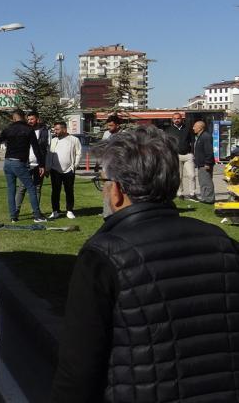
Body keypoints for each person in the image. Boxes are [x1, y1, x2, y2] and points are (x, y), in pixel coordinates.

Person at [51, 125, 239, 402]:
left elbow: (78, 368)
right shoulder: (222, 242)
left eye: (103, 182)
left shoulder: (102, 255)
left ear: (117, 191)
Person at [0, 109, 47, 222]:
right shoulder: (29, 129)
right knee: (31, 188)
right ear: (24, 117)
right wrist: (41, 164)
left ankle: (13, 217)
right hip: (19, 163)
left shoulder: (8, 129)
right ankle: (37, 216)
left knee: (11, 190)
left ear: (14, 118)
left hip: (7, 162)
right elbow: (36, 148)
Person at [46, 121, 82, 219]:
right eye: (54, 129)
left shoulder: (74, 140)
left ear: (64, 129)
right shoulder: (53, 140)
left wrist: (75, 165)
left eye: (57, 129)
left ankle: (69, 210)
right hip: (55, 170)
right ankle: (55, 211)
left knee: (69, 190)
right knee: (55, 191)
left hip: (69, 170)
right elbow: (49, 155)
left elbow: (78, 153)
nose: (55, 131)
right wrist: (47, 168)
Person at [15, 111, 49, 214]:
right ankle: (15, 210)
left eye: (32, 119)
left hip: (39, 165)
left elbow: (46, 148)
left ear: (37, 119)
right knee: (22, 187)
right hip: (26, 164)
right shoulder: (24, 130)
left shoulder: (44, 131)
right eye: (28, 119)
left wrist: (45, 165)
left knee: (37, 188)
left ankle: (36, 212)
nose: (30, 121)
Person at [164, 112, 195, 199]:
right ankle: (180, 193)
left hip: (188, 155)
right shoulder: (168, 130)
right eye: (175, 119)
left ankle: (192, 193)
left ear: (182, 119)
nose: (176, 120)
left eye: (178, 118)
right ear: (172, 120)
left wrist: (192, 152)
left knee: (192, 175)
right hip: (176, 156)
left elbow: (193, 141)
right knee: (179, 177)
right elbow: (167, 144)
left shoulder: (188, 129)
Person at [99, 114, 123, 216]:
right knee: (107, 188)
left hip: (118, 167)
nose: (109, 128)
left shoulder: (124, 135)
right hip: (106, 165)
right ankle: (106, 210)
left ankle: (118, 209)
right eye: (108, 126)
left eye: (111, 126)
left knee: (117, 189)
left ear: (118, 125)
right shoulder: (106, 134)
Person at [192, 119, 216, 204]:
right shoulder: (200, 136)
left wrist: (207, 163)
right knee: (203, 182)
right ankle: (204, 198)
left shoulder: (206, 136)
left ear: (200, 128)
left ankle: (209, 199)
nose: (193, 128)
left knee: (207, 182)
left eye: (195, 126)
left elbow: (209, 151)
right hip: (201, 164)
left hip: (205, 164)